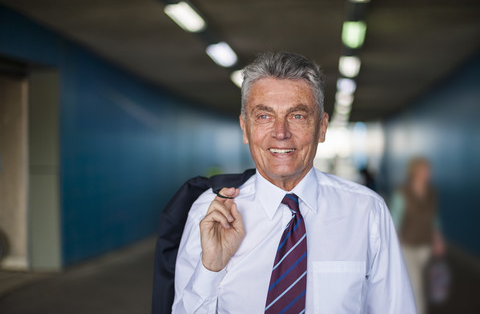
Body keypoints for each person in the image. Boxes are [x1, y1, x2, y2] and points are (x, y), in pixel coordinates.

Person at [172, 51, 415, 313]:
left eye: (297, 116)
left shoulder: (367, 212)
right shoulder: (211, 212)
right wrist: (211, 268)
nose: (280, 133)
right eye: (264, 116)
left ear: (322, 127)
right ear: (245, 128)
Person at [390, 157, 445, 314]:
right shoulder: (402, 193)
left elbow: (434, 219)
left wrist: (438, 239)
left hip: (425, 247)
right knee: (416, 285)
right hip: (407, 247)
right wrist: (396, 247)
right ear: (414, 172)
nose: (427, 173)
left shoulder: (432, 193)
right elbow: (395, 220)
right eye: (424, 170)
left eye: (428, 170)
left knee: (420, 285)